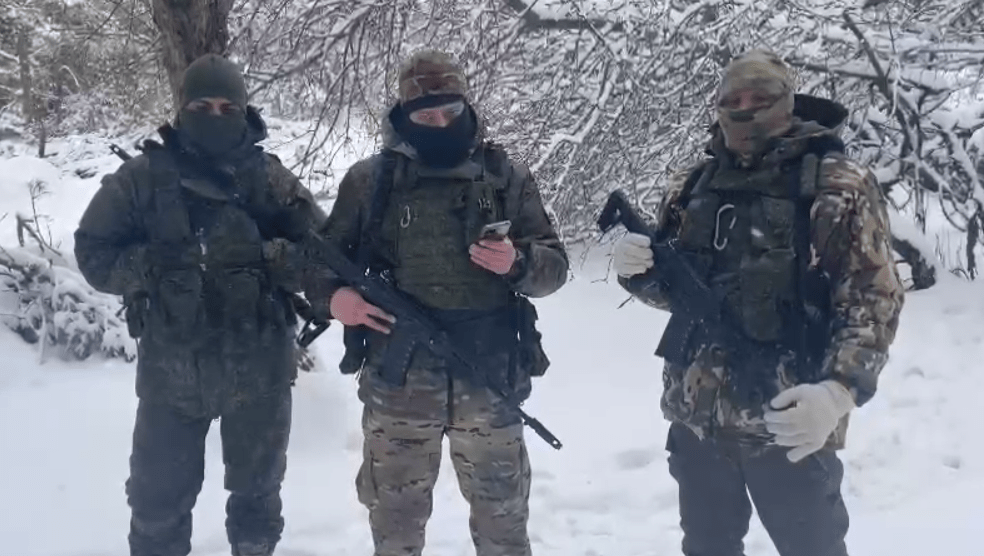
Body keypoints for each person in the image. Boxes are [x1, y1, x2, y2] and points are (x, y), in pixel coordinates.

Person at [612, 49, 905, 556]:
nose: (745, 110)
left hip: (790, 421)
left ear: (787, 102)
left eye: (760, 99)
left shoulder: (836, 184)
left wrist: (838, 392)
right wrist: (639, 274)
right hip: (698, 423)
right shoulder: (693, 185)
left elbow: (874, 296)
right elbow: (680, 293)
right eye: (734, 101)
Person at [317, 49, 568, 556]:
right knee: (395, 532)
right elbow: (321, 261)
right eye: (425, 116)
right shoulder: (369, 182)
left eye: (449, 111)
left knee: (504, 532)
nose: (439, 123)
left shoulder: (505, 177)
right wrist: (334, 298)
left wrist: (517, 262)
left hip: (488, 380)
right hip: (399, 386)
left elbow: (555, 268)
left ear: (465, 105)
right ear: (404, 116)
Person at [74, 54, 327, 556]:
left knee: (257, 505)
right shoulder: (142, 178)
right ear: (182, 108)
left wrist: (266, 258)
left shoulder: (269, 180)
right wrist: (155, 264)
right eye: (201, 106)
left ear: (243, 110)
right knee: (156, 507)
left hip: (259, 372)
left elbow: (324, 256)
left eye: (227, 107)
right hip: (172, 375)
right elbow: (93, 253)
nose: (215, 115)